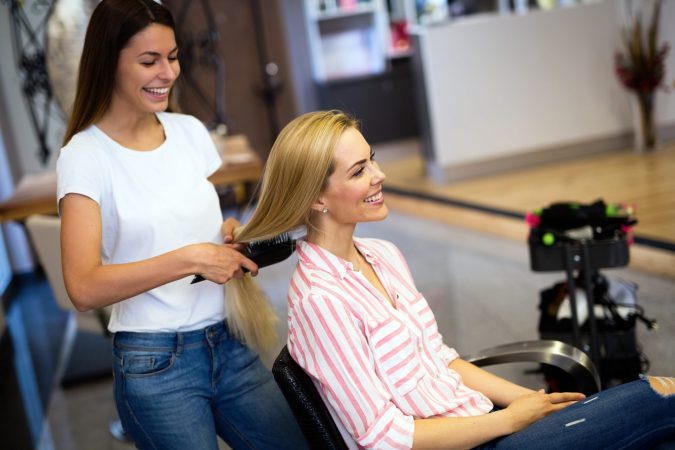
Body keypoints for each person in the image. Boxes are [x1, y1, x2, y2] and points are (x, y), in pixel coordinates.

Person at [227, 110, 675, 449]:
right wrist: (511, 420)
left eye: (372, 160)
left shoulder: (383, 255)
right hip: (476, 441)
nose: (380, 175)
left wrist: (531, 403)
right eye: (358, 170)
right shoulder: (321, 302)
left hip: (483, 425)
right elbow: (381, 438)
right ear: (316, 199)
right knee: (660, 397)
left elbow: (440, 358)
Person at [56, 1, 308, 449]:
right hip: (155, 365)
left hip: (230, 340)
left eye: (172, 57)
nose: (168, 73)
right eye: (149, 61)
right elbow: (83, 287)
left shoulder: (189, 131)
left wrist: (222, 234)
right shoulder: (84, 156)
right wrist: (189, 258)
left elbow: (182, 219)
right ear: (109, 63)